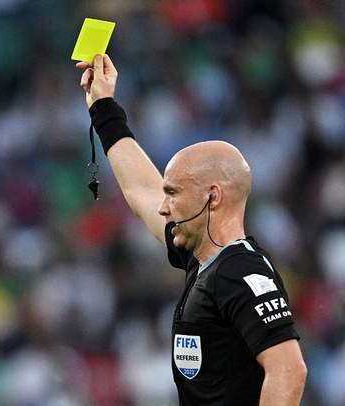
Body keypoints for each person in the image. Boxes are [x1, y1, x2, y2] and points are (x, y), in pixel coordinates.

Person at [76, 55, 307, 405]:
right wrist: (103, 107)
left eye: (173, 193)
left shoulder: (241, 271)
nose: (163, 206)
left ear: (212, 196)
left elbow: (289, 371)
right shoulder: (203, 261)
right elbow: (142, 190)